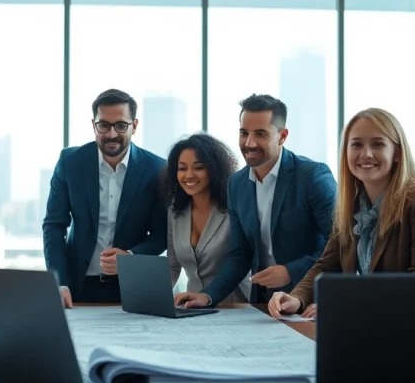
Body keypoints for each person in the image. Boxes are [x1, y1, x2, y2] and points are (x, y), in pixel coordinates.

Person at [268, 108, 415, 319]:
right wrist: (296, 298)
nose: (366, 154)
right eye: (356, 144)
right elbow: (328, 263)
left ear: (398, 154)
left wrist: (348, 307)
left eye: (378, 144)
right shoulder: (352, 205)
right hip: (374, 327)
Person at [174, 94, 337, 308]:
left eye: (260, 134)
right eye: (244, 133)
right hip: (261, 305)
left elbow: (340, 245)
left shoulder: (313, 176)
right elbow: (240, 255)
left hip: (309, 303)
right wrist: (208, 295)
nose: (249, 143)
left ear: (282, 136)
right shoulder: (237, 183)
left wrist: (291, 271)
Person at [43, 89, 168, 306]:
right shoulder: (70, 162)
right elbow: (54, 226)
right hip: (75, 287)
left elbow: (162, 233)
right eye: (104, 125)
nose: (111, 134)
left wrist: (130, 257)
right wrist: (59, 283)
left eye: (121, 125)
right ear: (94, 125)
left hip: (133, 287)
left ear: (134, 126)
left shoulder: (156, 169)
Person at [162, 133, 245, 303]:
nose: (189, 175)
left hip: (235, 304)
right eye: (182, 168)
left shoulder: (236, 206)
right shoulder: (175, 211)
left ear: (214, 169)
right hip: (192, 305)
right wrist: (154, 298)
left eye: (198, 167)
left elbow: (242, 259)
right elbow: (173, 264)